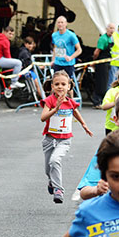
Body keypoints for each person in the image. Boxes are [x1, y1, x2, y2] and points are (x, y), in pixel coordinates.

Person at [39, 71, 93, 204]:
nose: (60, 86)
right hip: (49, 140)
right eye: (56, 84)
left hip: (64, 140)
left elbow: (75, 112)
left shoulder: (70, 102)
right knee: (48, 169)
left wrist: (84, 124)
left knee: (55, 161)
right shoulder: (50, 101)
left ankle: (58, 190)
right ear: (52, 86)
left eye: (63, 84)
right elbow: (42, 118)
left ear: (69, 86)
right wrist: (55, 109)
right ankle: (52, 182)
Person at [91, 23, 115, 107]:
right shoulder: (103, 39)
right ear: (106, 29)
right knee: (100, 82)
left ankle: (101, 100)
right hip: (101, 63)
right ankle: (96, 101)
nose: (112, 30)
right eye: (110, 28)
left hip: (107, 63)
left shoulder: (110, 39)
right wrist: (94, 60)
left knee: (105, 82)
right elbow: (97, 52)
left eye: (113, 28)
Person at [51, 16, 82, 81]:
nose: (60, 24)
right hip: (57, 63)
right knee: (56, 82)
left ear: (66, 24)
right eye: (58, 22)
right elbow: (55, 48)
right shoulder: (54, 35)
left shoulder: (71, 35)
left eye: (62, 22)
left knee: (68, 84)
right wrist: (53, 60)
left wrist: (71, 57)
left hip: (68, 64)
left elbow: (79, 50)